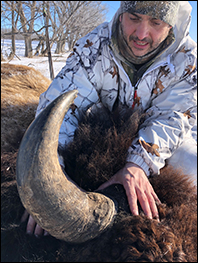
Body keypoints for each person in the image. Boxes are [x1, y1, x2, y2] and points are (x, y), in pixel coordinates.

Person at [21, 1, 197, 237]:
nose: (142, 34)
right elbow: (62, 105)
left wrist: (138, 163)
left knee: (192, 166)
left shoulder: (187, 59)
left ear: (170, 24)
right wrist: (51, 179)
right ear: (122, 14)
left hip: (156, 135)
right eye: (134, 18)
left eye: (155, 22)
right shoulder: (94, 45)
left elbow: (173, 117)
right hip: (100, 125)